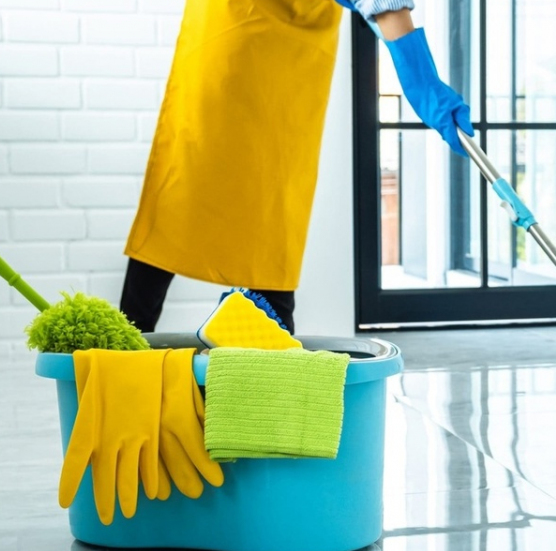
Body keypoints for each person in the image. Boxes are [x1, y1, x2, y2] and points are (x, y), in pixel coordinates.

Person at [119, 0, 473, 334]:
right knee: (183, 197)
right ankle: (122, 351)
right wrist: (422, 81)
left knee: (269, 210)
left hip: (291, 63)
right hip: (233, 40)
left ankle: (266, 352)